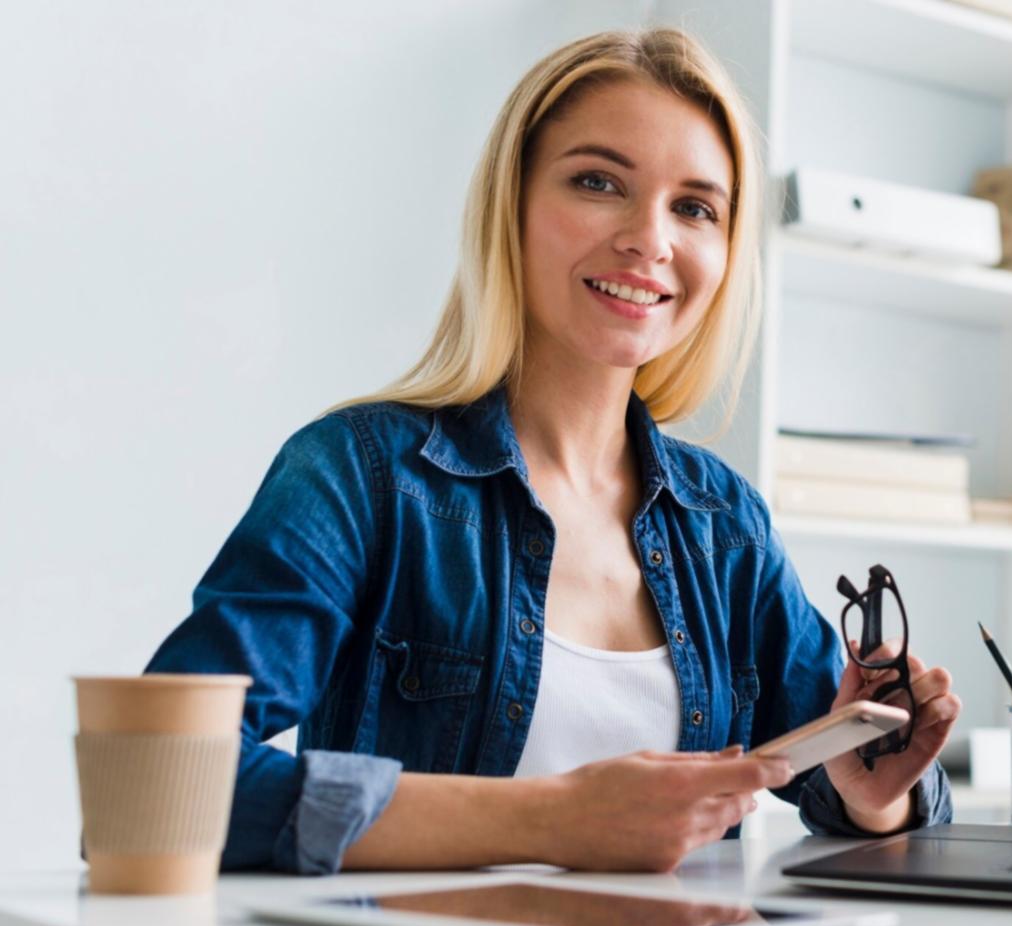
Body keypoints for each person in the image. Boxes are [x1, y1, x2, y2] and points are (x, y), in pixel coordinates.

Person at [146, 27, 959, 876]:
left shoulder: (724, 525)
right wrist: (550, 818)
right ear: (514, 206)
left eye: (695, 207)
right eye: (598, 182)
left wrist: (875, 794)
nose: (650, 238)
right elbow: (158, 782)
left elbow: (841, 784)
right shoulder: (360, 476)